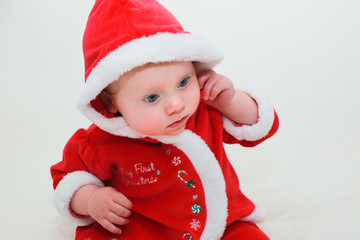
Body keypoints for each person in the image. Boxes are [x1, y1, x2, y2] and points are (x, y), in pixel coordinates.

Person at [50, 0, 279, 239]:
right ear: (110, 103)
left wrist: (230, 101)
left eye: (183, 82)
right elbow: (67, 180)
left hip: (224, 224)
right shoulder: (99, 143)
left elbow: (259, 125)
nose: (176, 105)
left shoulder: (205, 110)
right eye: (152, 98)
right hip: (145, 231)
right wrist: (89, 199)